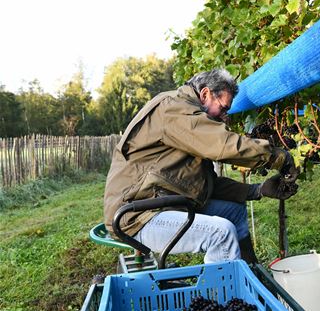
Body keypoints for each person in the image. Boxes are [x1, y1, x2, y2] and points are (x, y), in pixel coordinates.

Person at [103, 69, 298, 264]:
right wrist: (278, 157)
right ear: (205, 94)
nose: (224, 116)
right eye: (223, 108)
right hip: (137, 215)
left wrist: (257, 190)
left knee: (235, 213)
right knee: (221, 233)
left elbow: (204, 184)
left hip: (162, 204)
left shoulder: (187, 116)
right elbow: (223, 145)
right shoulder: (174, 109)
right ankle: (224, 294)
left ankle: (252, 273)